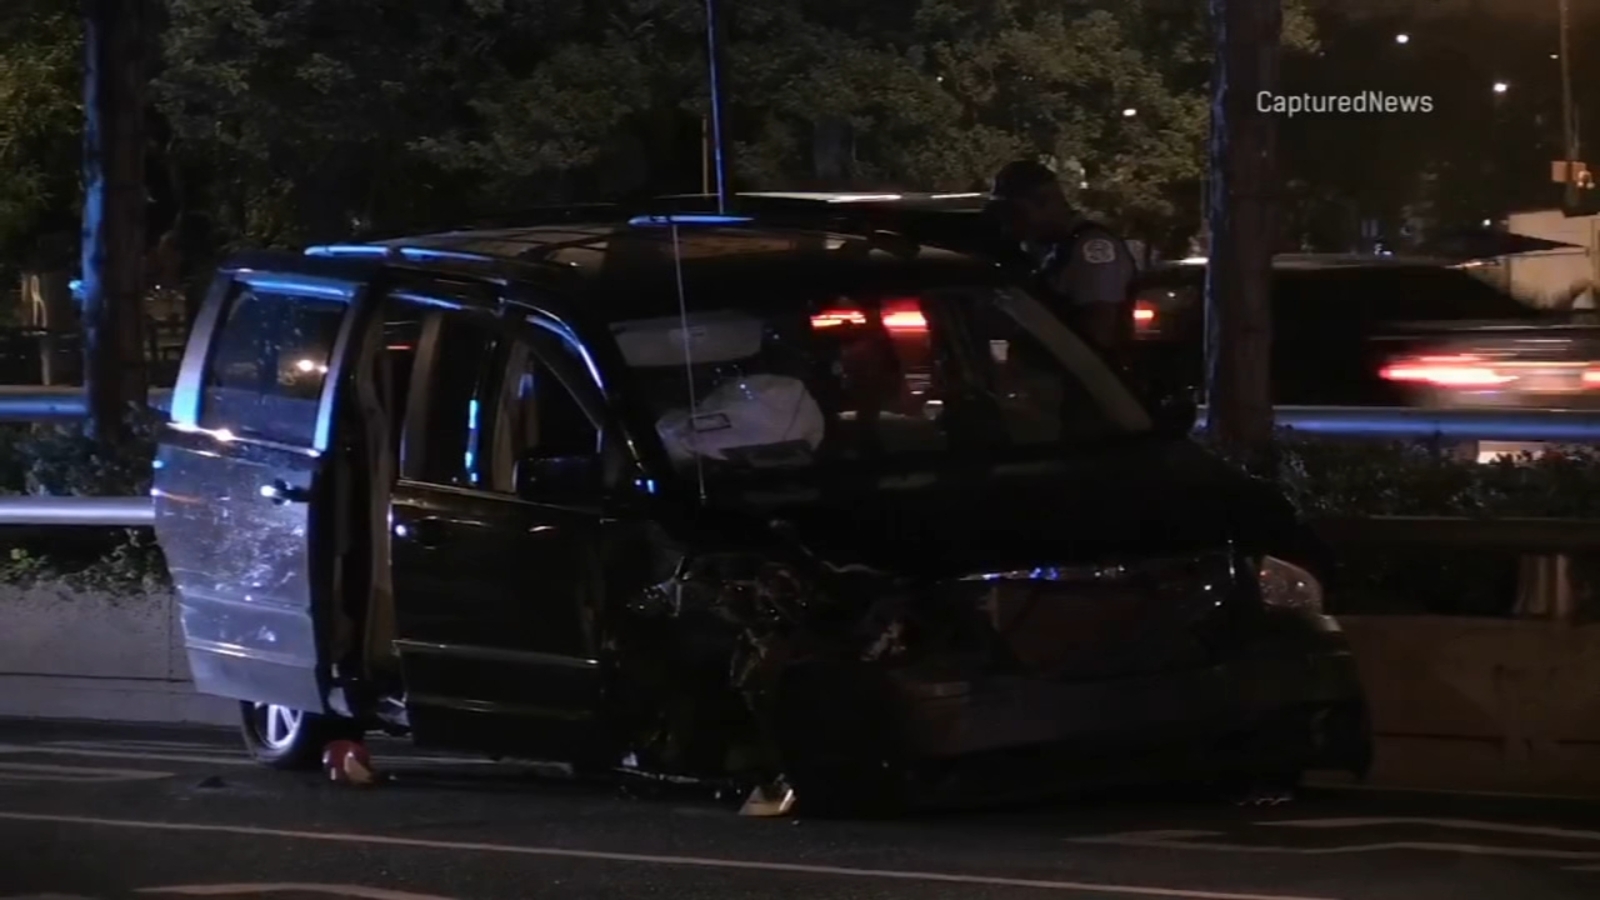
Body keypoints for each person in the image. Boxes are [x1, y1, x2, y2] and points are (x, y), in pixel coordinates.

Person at [986, 159, 1137, 358]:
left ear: (1045, 202)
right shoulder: (1048, 248)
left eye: (1014, 213)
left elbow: (1099, 330)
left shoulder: (1091, 247)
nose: (1008, 225)